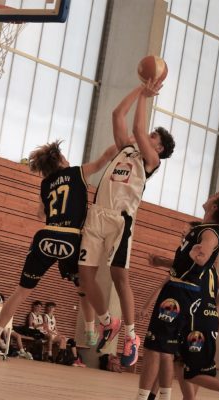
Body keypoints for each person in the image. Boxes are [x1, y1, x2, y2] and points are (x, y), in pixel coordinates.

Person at [0, 140, 118, 366]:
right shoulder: (77, 173)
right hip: (71, 237)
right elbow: (104, 158)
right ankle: (90, 331)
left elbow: (40, 215)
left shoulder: (46, 184)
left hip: (46, 236)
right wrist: (124, 142)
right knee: (84, 284)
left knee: (21, 291)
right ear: (61, 161)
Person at [78, 81, 175, 368]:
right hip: (97, 214)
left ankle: (131, 336)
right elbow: (117, 114)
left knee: (119, 277)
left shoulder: (151, 160)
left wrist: (145, 96)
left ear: (159, 147)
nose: (148, 135)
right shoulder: (125, 149)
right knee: (84, 276)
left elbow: (136, 127)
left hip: (121, 221)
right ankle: (109, 321)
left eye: (153, 136)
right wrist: (138, 88)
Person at [136, 187, 219, 400]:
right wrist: (163, 261)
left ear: (214, 206)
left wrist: (200, 253)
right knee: (172, 356)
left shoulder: (209, 232)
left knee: (156, 347)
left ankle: (144, 397)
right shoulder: (206, 229)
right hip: (187, 296)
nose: (210, 196)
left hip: (180, 293)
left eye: (214, 195)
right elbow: (189, 263)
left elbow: (203, 255)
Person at [43, 301, 85, 367]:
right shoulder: (45, 316)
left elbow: (56, 328)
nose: (51, 309)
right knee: (62, 339)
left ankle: (61, 357)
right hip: (48, 334)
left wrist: (59, 334)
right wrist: (55, 333)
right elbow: (46, 328)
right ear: (47, 308)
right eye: (50, 307)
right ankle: (59, 357)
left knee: (63, 338)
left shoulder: (53, 317)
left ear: (54, 309)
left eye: (52, 307)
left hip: (54, 334)